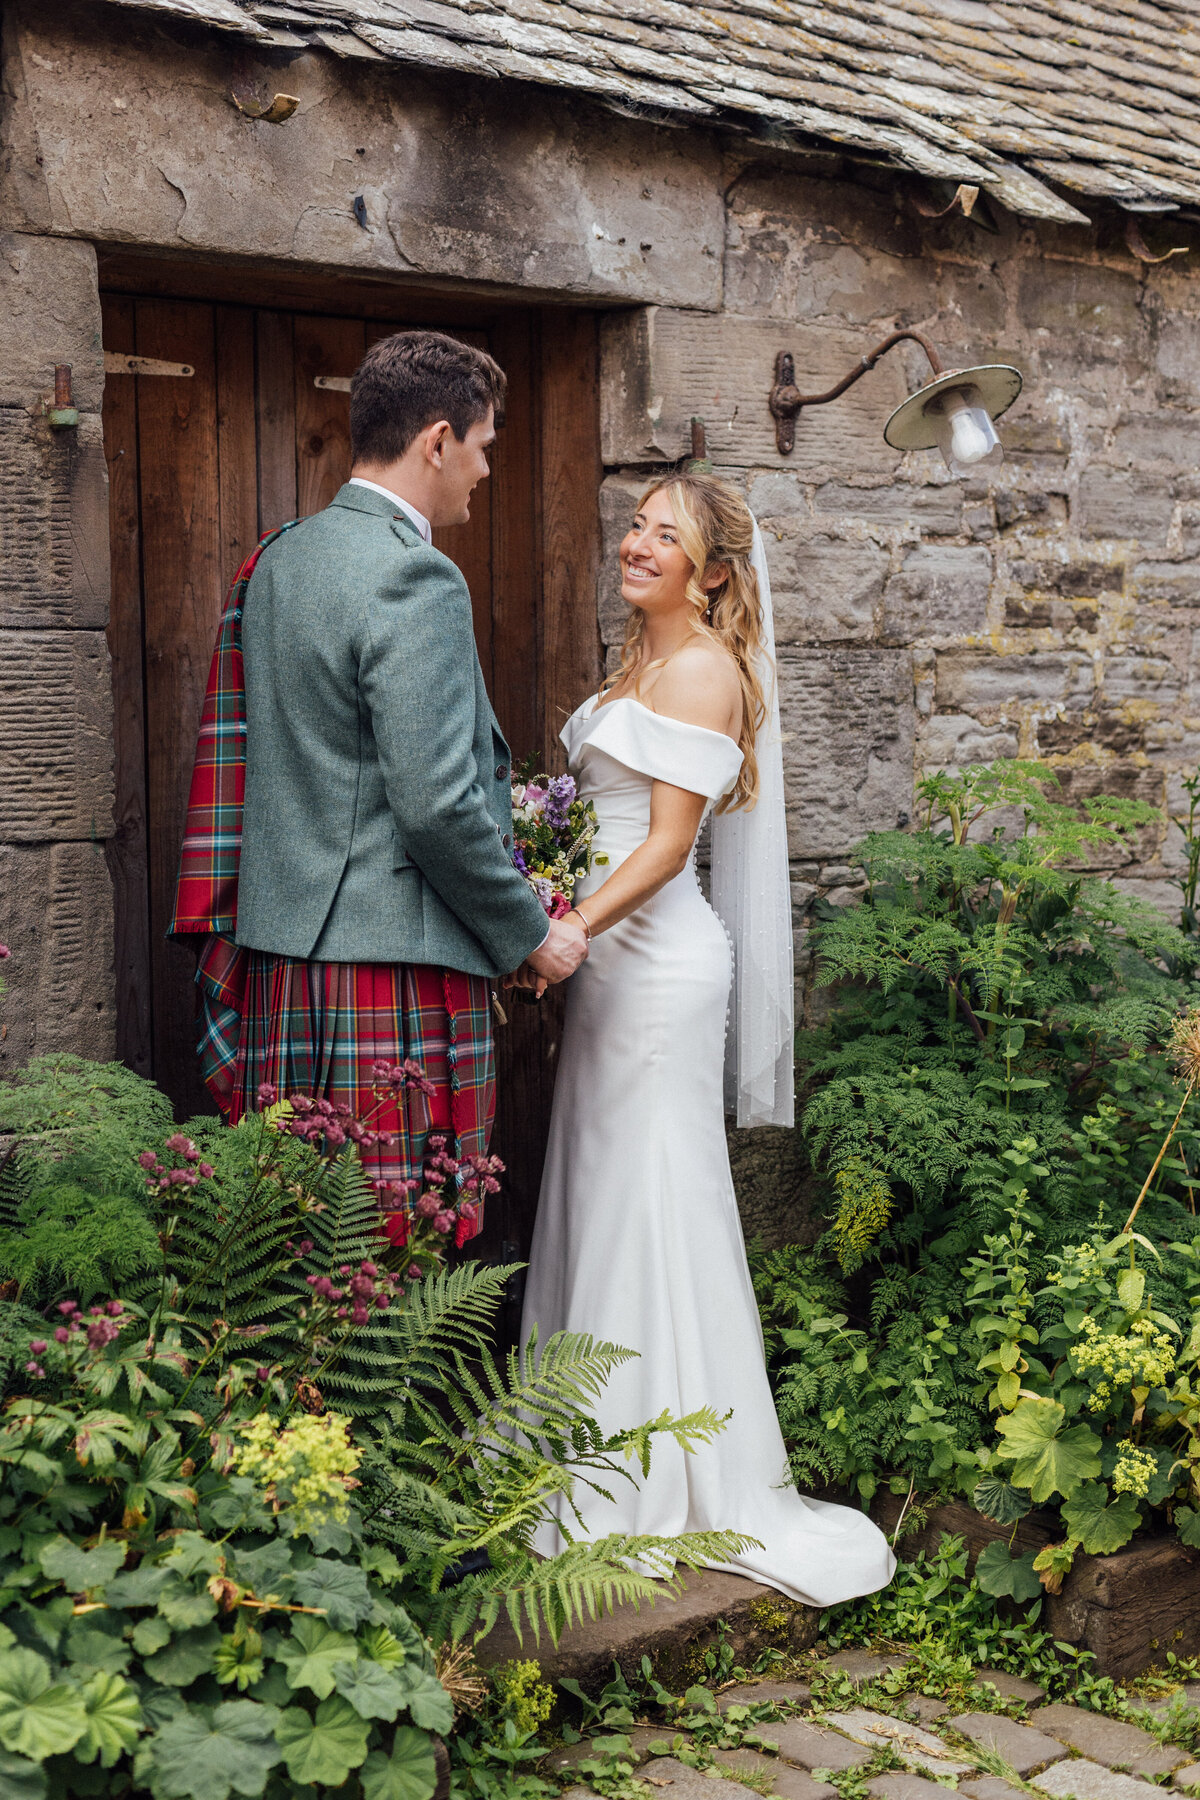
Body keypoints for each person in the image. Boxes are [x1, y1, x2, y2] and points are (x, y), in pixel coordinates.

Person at [519, 470, 895, 1605]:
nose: (636, 543)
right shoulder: (643, 662)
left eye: (663, 535)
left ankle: (652, 1462)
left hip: (653, 963)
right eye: (634, 525)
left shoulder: (698, 667)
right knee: (599, 1178)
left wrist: (563, 928)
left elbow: (669, 845)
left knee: (652, 1187)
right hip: (608, 962)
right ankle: (580, 1433)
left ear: (715, 571)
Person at [169, 330, 587, 1239]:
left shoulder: (279, 557)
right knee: (400, 1257)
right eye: (482, 449)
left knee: (302, 1246)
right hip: (391, 973)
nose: (484, 472)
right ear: (437, 440)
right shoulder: (414, 574)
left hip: (286, 964)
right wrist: (531, 934)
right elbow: (436, 804)